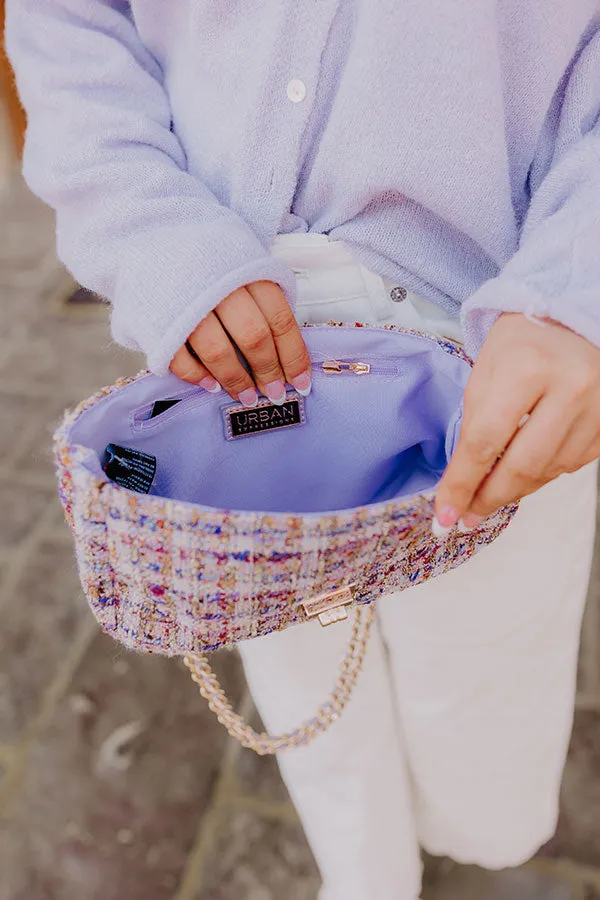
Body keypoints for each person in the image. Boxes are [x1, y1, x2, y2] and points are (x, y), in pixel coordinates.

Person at [6, 3, 600, 898]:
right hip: (222, 340)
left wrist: (578, 282)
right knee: (293, 661)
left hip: (507, 348)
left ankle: (472, 832)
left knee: (489, 662)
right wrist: (148, 232)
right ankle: (363, 868)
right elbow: (69, 21)